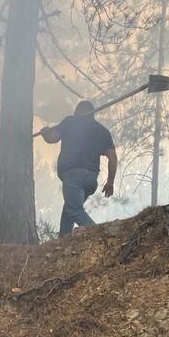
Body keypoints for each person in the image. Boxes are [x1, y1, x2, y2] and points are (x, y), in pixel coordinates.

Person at [39, 100, 118, 236]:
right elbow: (113, 157)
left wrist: (45, 133)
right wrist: (110, 182)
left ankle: (99, 235)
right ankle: (64, 240)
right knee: (68, 210)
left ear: (77, 112)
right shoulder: (102, 131)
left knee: (74, 210)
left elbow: (53, 138)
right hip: (91, 180)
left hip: (73, 174)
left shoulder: (70, 122)